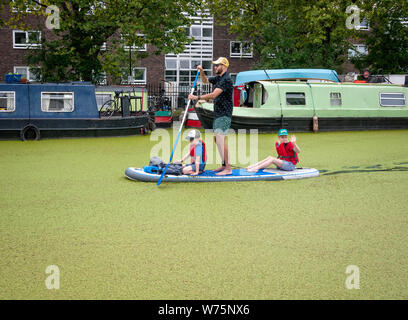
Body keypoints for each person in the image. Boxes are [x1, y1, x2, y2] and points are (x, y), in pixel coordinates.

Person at [188, 57, 233, 176]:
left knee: (220, 139)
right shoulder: (219, 78)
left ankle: (228, 168)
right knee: (216, 139)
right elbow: (205, 80)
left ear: (224, 66)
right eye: (215, 65)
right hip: (218, 113)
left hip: (224, 114)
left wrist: (196, 97)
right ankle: (224, 165)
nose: (215, 67)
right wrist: (202, 71)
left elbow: (213, 95)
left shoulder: (226, 79)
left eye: (217, 65)